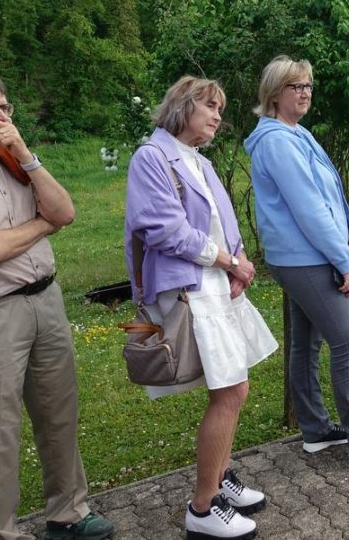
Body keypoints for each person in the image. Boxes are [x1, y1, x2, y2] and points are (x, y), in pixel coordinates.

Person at [0, 69, 113, 540]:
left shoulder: (12, 159)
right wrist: (43, 225)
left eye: (5, 108)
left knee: (59, 415)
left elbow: (66, 210)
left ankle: (70, 514)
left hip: (46, 302)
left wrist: (24, 154)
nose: (1, 118)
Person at [125, 76, 278, 540]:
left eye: (219, 108)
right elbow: (163, 230)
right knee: (230, 393)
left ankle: (220, 479)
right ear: (182, 106)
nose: (217, 115)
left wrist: (239, 261)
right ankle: (203, 506)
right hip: (189, 289)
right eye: (209, 106)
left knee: (234, 389)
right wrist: (230, 261)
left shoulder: (197, 161)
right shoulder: (151, 157)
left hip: (216, 285)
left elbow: (221, 222)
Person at [244, 56, 349, 470]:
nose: (306, 92)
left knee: (307, 342)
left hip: (301, 254)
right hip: (305, 256)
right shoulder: (277, 141)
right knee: (348, 339)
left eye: (309, 85)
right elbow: (309, 208)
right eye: (297, 86)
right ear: (275, 93)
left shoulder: (294, 134)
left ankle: (314, 429)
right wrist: (342, 259)